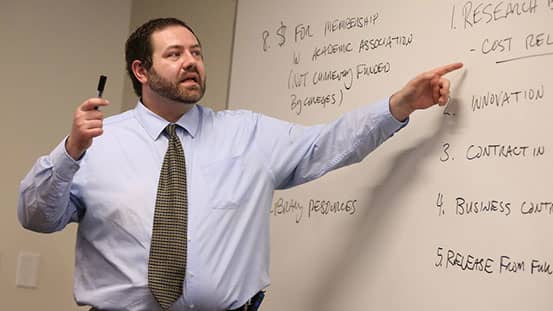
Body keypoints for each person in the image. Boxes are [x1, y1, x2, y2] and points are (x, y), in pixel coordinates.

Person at [18, 17, 462, 311]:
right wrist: (70, 151)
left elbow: (326, 144)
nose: (191, 62)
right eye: (174, 54)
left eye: (196, 52)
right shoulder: (96, 141)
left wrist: (399, 104)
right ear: (141, 70)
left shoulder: (247, 133)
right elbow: (37, 217)